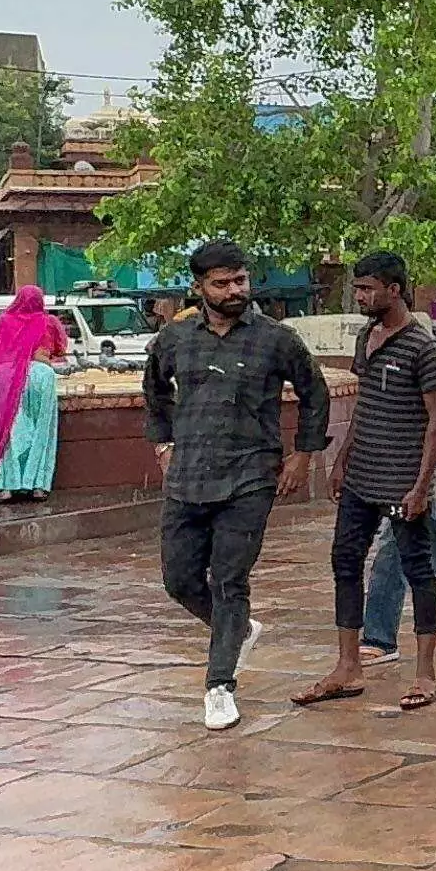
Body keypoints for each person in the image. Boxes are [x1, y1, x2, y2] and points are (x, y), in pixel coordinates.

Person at [144, 239, 332, 734]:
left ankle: (219, 685)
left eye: (240, 281)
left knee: (230, 580)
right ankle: (239, 631)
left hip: (250, 475)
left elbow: (315, 392)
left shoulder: (276, 339)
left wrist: (304, 455)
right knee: (179, 580)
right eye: (221, 283)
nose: (233, 291)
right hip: (188, 476)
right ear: (199, 287)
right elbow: (154, 389)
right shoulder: (176, 339)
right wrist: (162, 444)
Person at [297, 254, 436, 714]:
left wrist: (422, 487)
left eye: (367, 289)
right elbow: (364, 403)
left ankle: (425, 672)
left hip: (404, 478)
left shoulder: (421, 348)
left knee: (417, 568)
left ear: (395, 290)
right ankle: (348, 666)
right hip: (363, 474)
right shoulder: (367, 337)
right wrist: (342, 458)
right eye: (358, 289)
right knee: (345, 559)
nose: (360, 296)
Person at [0, 284, 67, 503]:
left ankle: (8, 486)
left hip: (9, 377)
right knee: (43, 429)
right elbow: (59, 349)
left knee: (10, 431)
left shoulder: (5, 321)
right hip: (43, 375)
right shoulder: (48, 322)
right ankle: (38, 485)